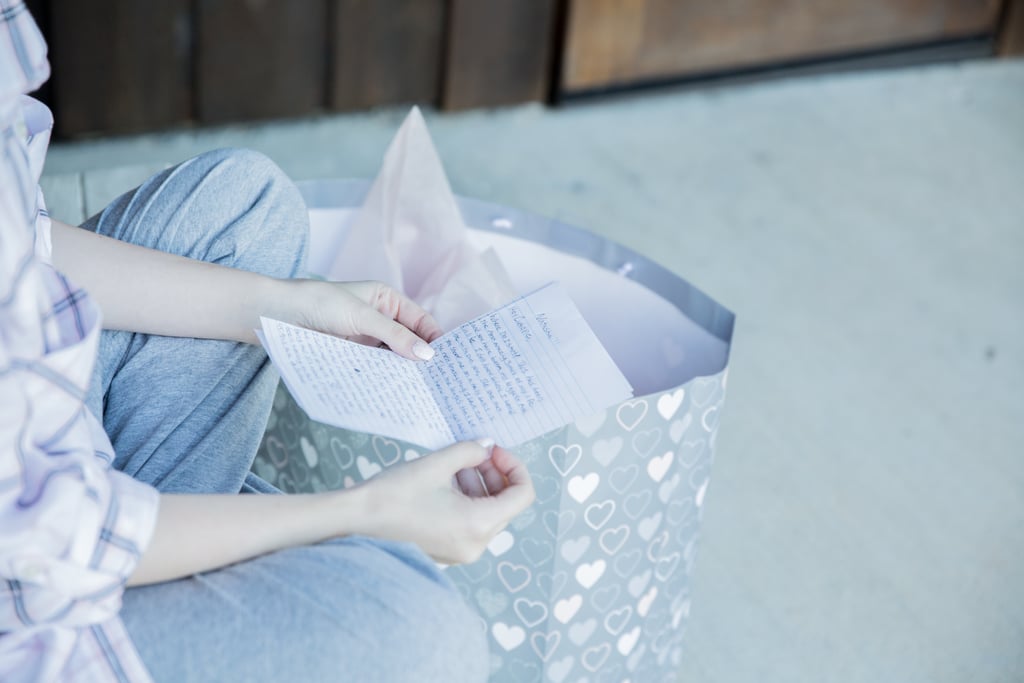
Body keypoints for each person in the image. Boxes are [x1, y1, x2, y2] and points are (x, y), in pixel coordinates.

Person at [0, 3, 535, 681]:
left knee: (246, 203)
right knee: (430, 638)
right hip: (34, 592)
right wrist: (360, 511)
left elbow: (25, 240)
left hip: (46, 462)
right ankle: (189, 589)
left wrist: (283, 305)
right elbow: (49, 540)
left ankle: (187, 567)